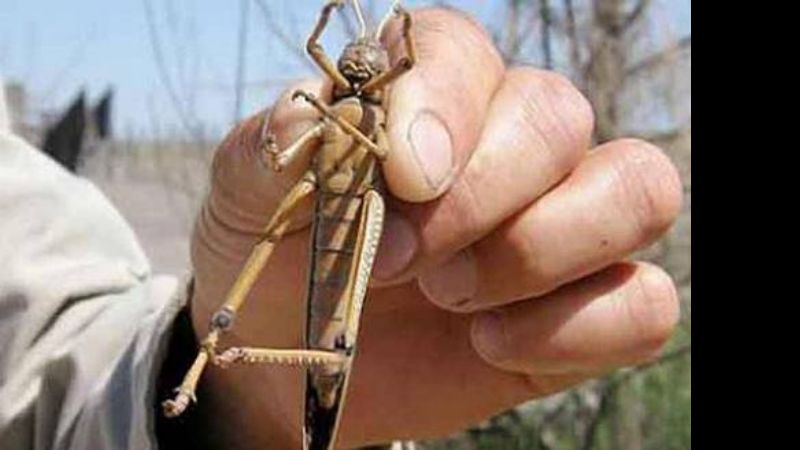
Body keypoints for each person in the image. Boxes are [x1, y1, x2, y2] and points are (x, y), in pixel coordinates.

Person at [0, 6, 683, 450]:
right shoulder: (327, 96)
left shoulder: (379, 102)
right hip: (315, 193)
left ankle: (226, 375)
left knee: (335, 336)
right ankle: (214, 363)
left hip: (361, 219)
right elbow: (314, 46)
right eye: (348, 61)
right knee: (257, 273)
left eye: (366, 60)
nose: (354, 64)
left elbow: (50, 343)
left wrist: (238, 414)